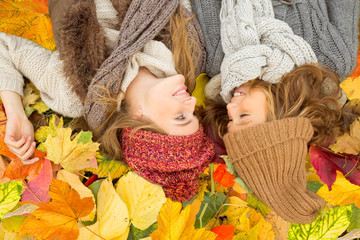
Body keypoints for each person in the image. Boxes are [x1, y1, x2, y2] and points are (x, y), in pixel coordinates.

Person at [0, 0, 215, 201]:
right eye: (193, 114)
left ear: (139, 120)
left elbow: (4, 47)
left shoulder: (75, 92)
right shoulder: (187, 52)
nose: (193, 103)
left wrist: (15, 112)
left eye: (180, 117)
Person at [201, 0, 358, 224]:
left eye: (230, 120)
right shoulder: (334, 60)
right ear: (281, 116)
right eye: (243, 117)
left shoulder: (220, 58)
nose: (230, 107)